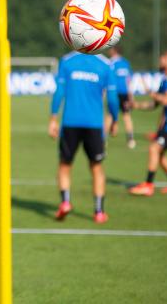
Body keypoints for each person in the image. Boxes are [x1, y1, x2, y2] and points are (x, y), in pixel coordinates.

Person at [48, 51, 118, 224]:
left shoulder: (67, 61)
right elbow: (113, 99)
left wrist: (53, 119)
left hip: (70, 122)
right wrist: (114, 119)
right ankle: (99, 212)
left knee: (65, 165)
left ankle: (65, 202)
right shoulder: (105, 64)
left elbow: (59, 92)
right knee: (96, 167)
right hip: (94, 124)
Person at [128, 50, 167, 196]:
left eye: (164, 57)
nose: (161, 59)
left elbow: (165, 100)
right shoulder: (164, 80)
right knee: (159, 154)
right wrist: (137, 106)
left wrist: (149, 92)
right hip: (165, 126)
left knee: (154, 149)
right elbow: (155, 104)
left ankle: (148, 185)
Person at [106, 46, 136, 148]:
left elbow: (108, 79)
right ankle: (131, 139)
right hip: (125, 93)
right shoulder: (125, 63)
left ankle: (103, 139)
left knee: (110, 115)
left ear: (113, 51)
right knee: (126, 115)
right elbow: (129, 80)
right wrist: (130, 94)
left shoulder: (111, 63)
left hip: (114, 92)